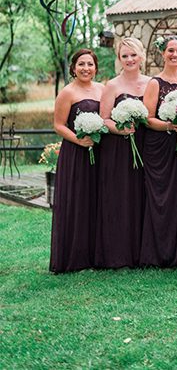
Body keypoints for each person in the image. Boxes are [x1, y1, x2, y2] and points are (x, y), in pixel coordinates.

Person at [96, 37, 150, 269]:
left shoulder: (150, 83)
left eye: (133, 55)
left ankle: (141, 252)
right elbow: (103, 118)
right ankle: (118, 253)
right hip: (118, 147)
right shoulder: (113, 86)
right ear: (119, 59)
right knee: (120, 197)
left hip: (145, 145)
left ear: (141, 57)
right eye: (124, 56)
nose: (129, 59)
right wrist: (120, 129)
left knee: (141, 195)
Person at [140, 35, 177, 268]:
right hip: (159, 147)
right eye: (170, 51)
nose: (174, 55)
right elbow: (147, 119)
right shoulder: (155, 83)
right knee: (160, 198)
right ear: (163, 53)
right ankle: (157, 253)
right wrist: (170, 125)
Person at [50, 49, 104, 274]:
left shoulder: (102, 89)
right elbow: (59, 125)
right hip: (75, 153)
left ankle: (96, 255)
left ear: (95, 67)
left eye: (90, 64)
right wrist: (78, 141)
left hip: (99, 153)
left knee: (96, 201)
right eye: (81, 64)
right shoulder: (67, 92)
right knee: (77, 202)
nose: (86, 68)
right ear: (73, 68)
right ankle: (74, 257)